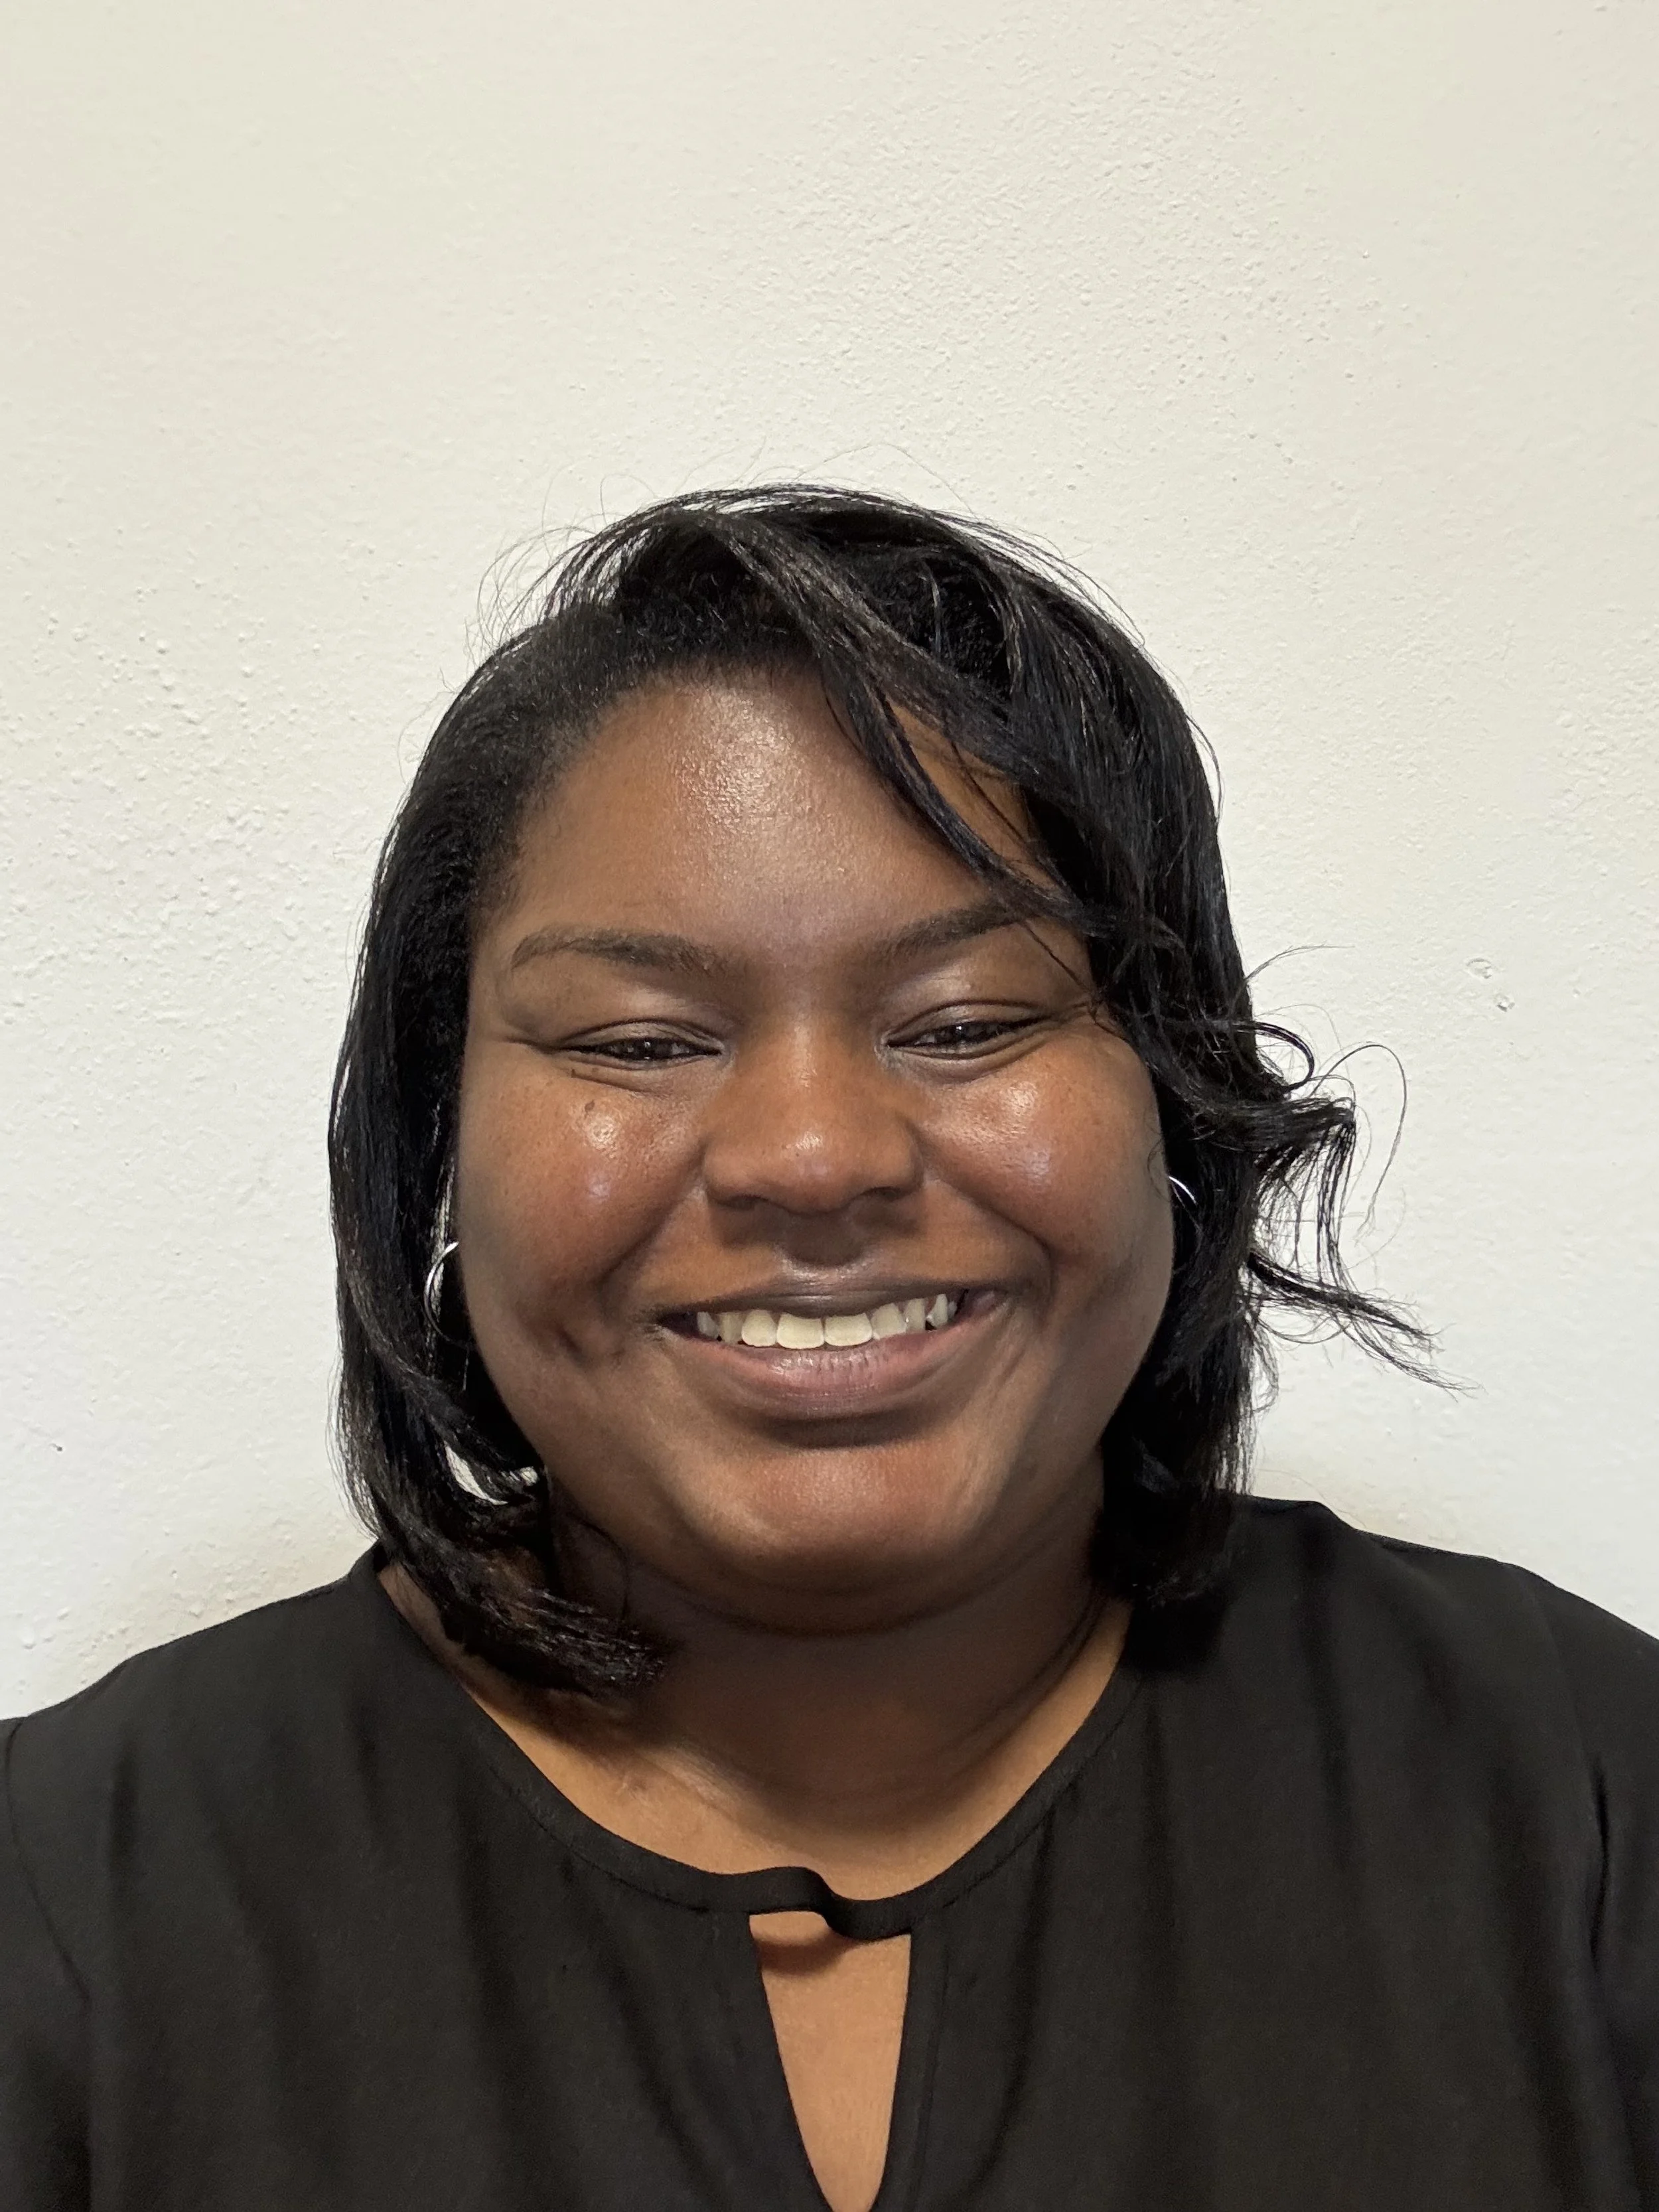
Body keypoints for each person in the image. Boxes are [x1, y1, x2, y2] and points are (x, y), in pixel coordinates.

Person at [2, 487, 1654, 2212]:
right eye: (640, 1039)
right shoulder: (82, 1890)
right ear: (436, 1145)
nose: (813, 1153)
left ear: (1175, 1093)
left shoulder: (1579, 1804)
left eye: (965, 1023)